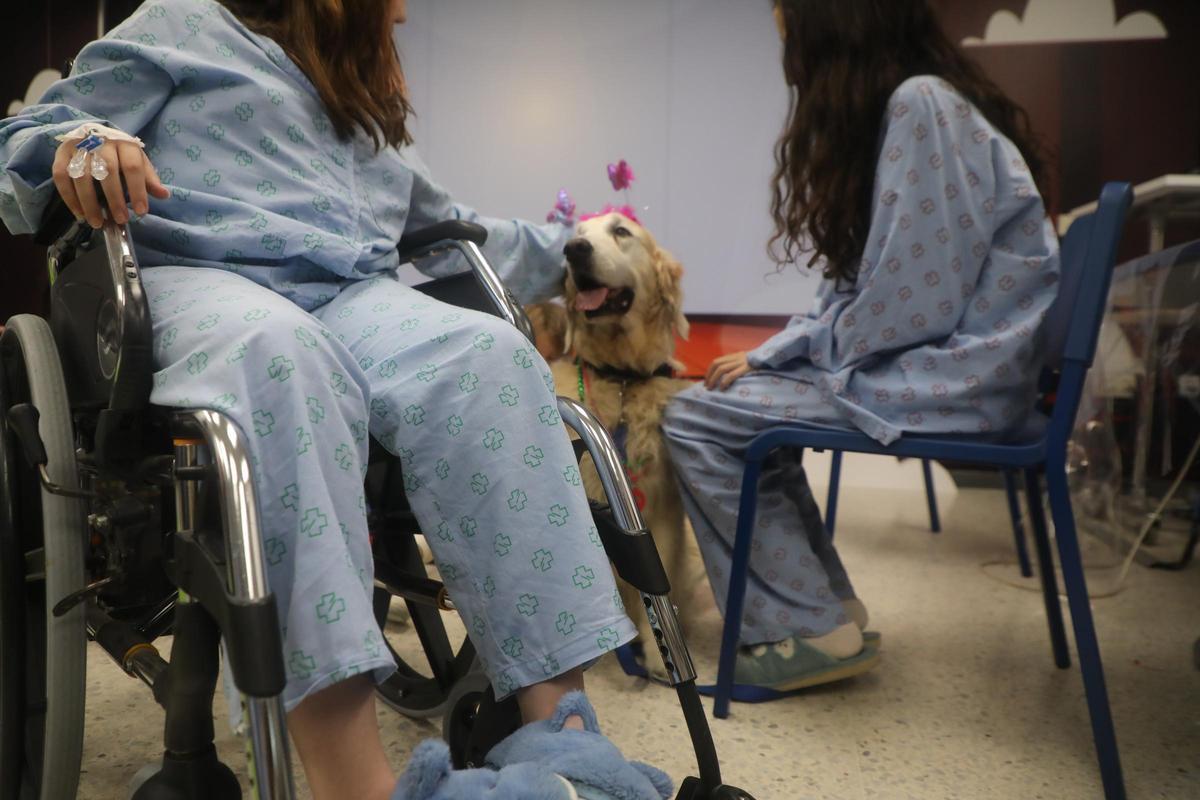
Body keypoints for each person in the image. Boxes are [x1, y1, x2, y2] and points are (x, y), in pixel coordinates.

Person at [0, 1, 670, 798]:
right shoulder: (182, 25)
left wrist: (573, 256)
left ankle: (561, 743)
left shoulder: (363, 105)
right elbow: (34, 136)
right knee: (281, 354)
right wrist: (83, 143)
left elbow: (458, 227)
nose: (404, 10)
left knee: (489, 356)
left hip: (352, 298)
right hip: (207, 281)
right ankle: (354, 782)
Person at [662, 0, 1058, 692]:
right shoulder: (920, 102)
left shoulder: (920, 105)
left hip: (954, 381)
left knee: (695, 417)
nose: (782, 29)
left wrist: (783, 352)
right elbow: (876, 288)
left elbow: (910, 303)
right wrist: (785, 349)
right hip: (958, 372)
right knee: (738, 407)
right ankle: (828, 611)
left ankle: (805, 628)